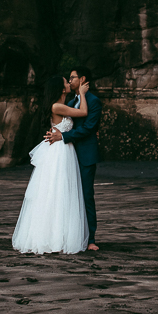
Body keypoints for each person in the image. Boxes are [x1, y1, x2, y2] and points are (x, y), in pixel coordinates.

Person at [12, 75, 90, 254]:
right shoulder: (57, 106)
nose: (69, 83)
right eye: (66, 82)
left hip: (63, 149)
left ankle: (59, 236)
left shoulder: (62, 105)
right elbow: (83, 112)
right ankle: (53, 237)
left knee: (61, 191)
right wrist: (83, 94)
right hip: (59, 152)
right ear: (61, 89)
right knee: (58, 191)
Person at [45, 67, 102, 251]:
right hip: (68, 155)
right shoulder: (70, 101)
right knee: (68, 197)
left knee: (85, 197)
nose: (69, 81)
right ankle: (69, 236)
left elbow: (88, 128)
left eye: (72, 78)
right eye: (67, 79)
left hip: (84, 154)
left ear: (82, 79)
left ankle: (90, 239)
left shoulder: (93, 101)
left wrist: (63, 136)